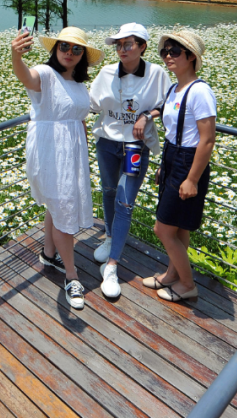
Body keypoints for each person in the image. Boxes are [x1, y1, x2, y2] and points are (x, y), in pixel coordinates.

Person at [11, 26, 103, 310]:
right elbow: (25, 76)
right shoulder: (46, 74)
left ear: (83, 56)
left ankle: (49, 253)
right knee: (63, 207)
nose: (70, 53)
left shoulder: (77, 84)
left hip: (72, 153)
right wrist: (16, 56)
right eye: (64, 47)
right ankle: (72, 277)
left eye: (77, 50)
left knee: (58, 203)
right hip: (51, 151)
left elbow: (77, 117)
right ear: (55, 50)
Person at [88, 23, 171, 299]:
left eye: (128, 44)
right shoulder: (106, 72)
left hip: (136, 147)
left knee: (125, 201)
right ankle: (110, 237)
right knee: (109, 192)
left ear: (143, 46)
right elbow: (91, 104)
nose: (121, 50)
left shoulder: (157, 74)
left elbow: (168, 105)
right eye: (118, 45)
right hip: (107, 144)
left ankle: (112, 266)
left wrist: (148, 116)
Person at [147, 28, 216, 303]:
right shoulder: (174, 89)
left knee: (162, 229)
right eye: (165, 51)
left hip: (189, 162)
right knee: (179, 228)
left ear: (191, 57)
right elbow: (173, 127)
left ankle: (187, 284)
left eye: (175, 51)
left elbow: (207, 140)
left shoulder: (200, 91)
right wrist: (165, 165)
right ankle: (171, 274)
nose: (167, 56)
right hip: (173, 157)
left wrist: (192, 179)